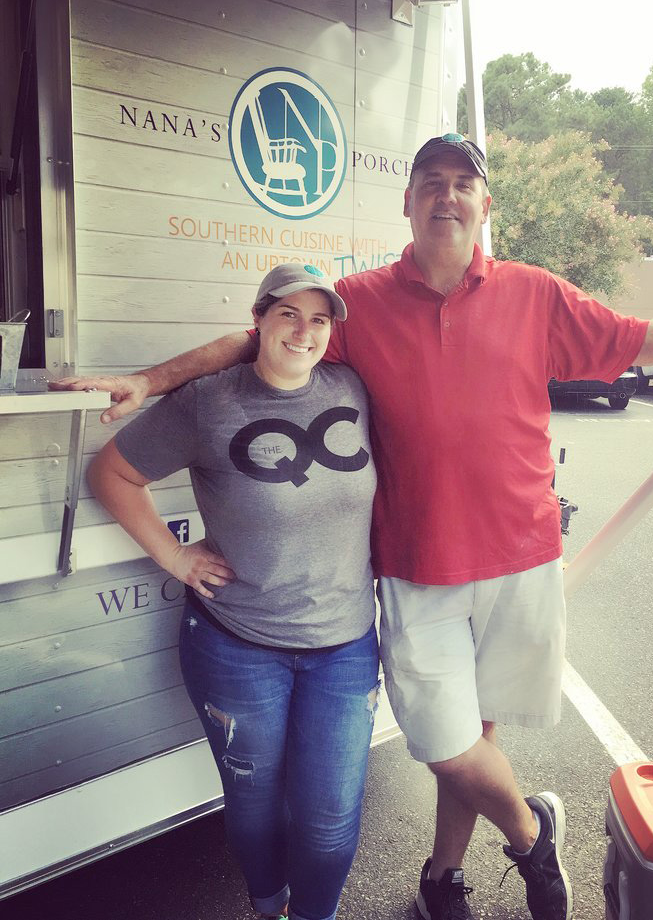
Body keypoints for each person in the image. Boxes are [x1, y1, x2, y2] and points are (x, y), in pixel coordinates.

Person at [56, 134, 653, 920]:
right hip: (417, 568)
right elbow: (250, 344)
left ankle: (442, 877)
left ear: (485, 205)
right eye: (431, 182)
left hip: (521, 557)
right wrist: (149, 381)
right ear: (409, 200)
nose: (447, 195)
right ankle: (531, 831)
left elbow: (647, 339)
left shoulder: (535, 292)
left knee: (476, 734)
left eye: (464, 183)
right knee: (444, 741)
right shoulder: (362, 303)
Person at [85, 264, 380, 920]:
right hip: (236, 647)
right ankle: (266, 903)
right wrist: (173, 554)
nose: (304, 332)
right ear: (258, 320)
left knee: (330, 820)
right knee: (253, 801)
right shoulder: (209, 401)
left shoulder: (352, 386)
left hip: (345, 647)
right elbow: (111, 472)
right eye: (288, 315)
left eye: (319, 319)